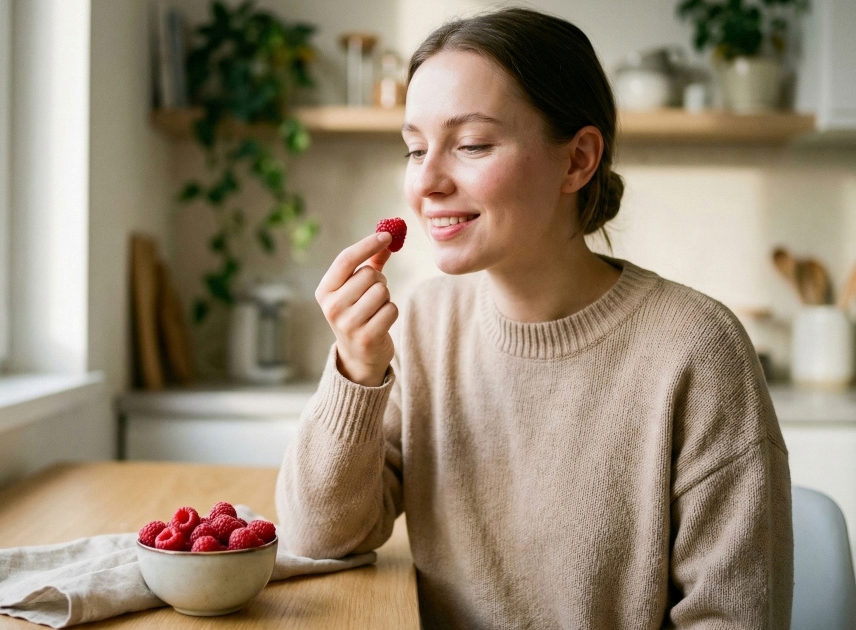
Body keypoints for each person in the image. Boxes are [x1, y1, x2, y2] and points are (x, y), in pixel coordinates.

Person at [275, 7, 792, 628]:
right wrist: (356, 373)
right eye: (415, 148)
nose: (427, 182)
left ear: (577, 160)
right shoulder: (420, 326)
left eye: (470, 145)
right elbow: (319, 538)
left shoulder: (697, 349)